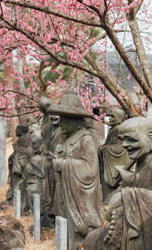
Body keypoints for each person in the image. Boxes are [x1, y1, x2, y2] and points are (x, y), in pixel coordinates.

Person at [104, 117, 152, 250]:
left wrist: (124, 196)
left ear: (150, 137)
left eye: (131, 139)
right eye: (123, 139)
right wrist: (128, 178)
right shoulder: (143, 156)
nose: (125, 145)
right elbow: (143, 181)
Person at [47, 93, 103, 250]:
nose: (61, 123)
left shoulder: (86, 139)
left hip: (81, 200)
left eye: (65, 119)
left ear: (77, 122)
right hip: (66, 193)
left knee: (78, 234)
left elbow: (90, 170)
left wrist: (63, 164)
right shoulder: (69, 138)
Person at [98, 107, 131, 204]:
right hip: (108, 159)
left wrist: (104, 149)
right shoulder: (114, 129)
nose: (110, 119)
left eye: (113, 117)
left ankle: (110, 201)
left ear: (120, 119)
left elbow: (119, 148)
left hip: (115, 160)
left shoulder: (119, 130)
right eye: (109, 116)